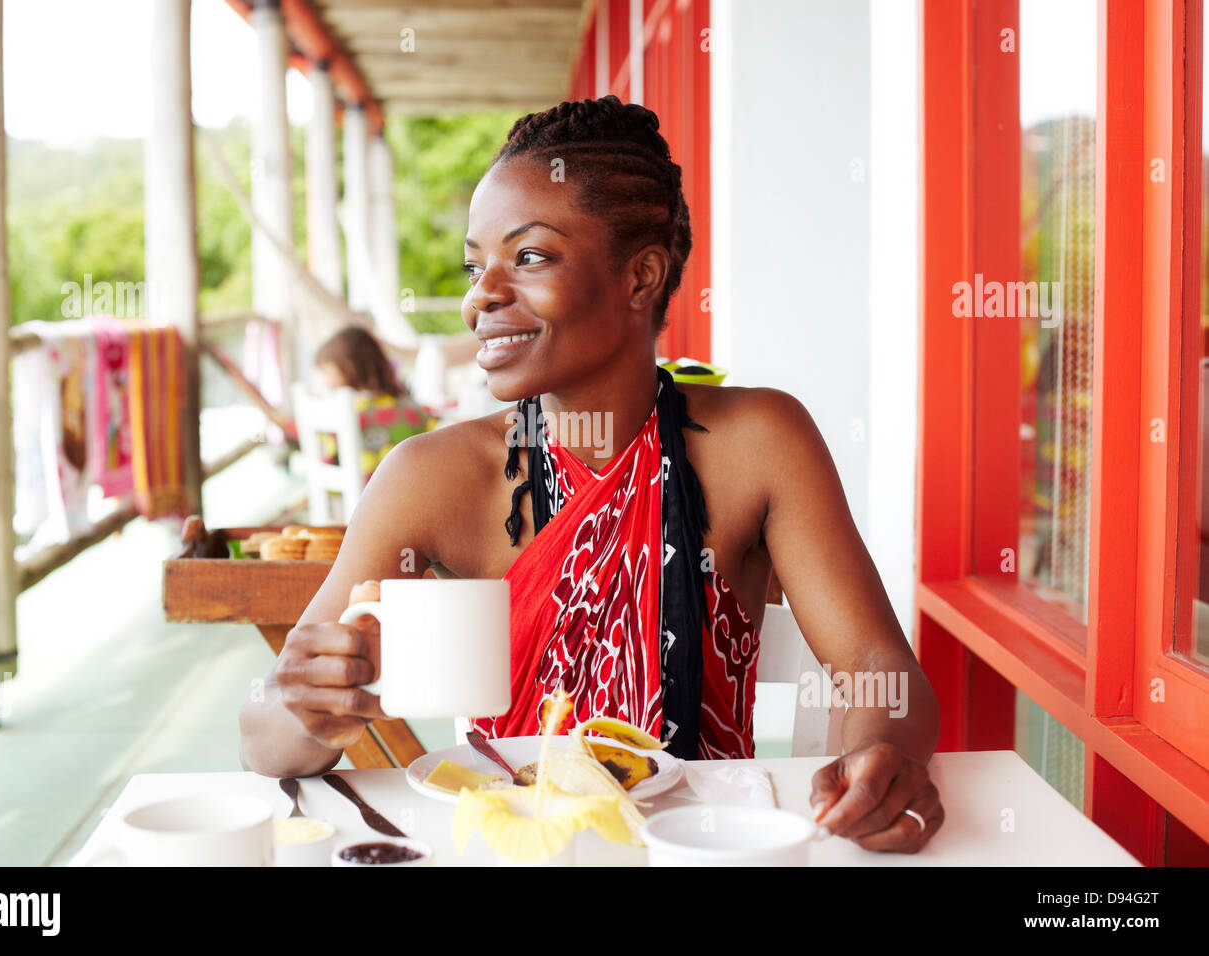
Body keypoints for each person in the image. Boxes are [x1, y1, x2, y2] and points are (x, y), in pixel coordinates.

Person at [240, 95, 944, 853]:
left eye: (530, 257)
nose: (482, 296)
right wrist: (305, 707)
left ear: (642, 277)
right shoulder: (428, 476)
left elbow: (877, 667)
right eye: (476, 266)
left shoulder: (760, 443)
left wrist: (887, 760)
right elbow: (264, 738)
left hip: (699, 851)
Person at [312, 325, 435, 483]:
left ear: (348, 368)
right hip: (413, 492)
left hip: (367, 500)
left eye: (327, 371)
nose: (325, 380)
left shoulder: (347, 412)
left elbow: (326, 461)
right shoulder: (409, 407)